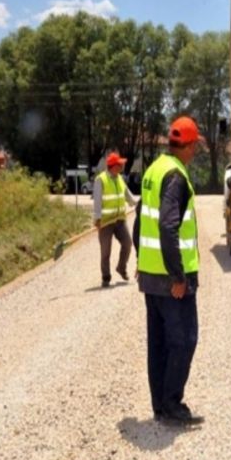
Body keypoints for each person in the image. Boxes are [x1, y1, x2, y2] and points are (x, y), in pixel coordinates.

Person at [133, 116, 205, 426]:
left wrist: (140, 260)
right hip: (171, 278)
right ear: (188, 146)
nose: (195, 152)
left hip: (150, 274)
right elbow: (167, 225)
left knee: (159, 342)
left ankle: (160, 405)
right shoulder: (175, 176)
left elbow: (139, 220)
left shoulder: (153, 170)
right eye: (195, 146)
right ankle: (172, 403)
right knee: (184, 339)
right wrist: (177, 276)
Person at [93, 151, 136, 288]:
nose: (122, 166)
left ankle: (121, 268)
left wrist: (137, 203)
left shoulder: (119, 178)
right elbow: (97, 201)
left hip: (119, 220)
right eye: (120, 164)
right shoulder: (101, 180)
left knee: (128, 243)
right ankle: (106, 277)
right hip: (106, 222)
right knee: (106, 251)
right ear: (113, 166)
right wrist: (98, 218)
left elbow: (128, 194)